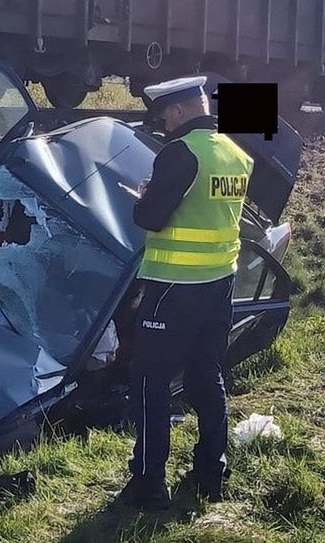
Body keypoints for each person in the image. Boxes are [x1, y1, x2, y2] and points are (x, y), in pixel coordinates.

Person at [117, 75, 254, 510]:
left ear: (177, 111)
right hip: (220, 285)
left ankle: (148, 483)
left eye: (163, 116)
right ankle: (211, 473)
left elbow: (150, 218)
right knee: (206, 375)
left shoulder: (180, 153)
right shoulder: (235, 153)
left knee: (150, 383)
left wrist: (144, 196)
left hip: (173, 289)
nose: (163, 124)